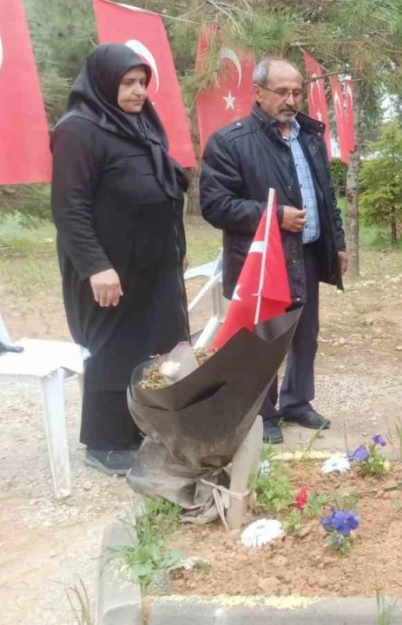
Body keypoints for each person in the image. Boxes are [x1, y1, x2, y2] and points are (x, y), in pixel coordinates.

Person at [50, 44, 190, 475]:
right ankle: (106, 442)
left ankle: (150, 426)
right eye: (128, 83)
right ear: (103, 83)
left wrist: (175, 250)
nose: (138, 92)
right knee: (115, 349)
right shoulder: (77, 130)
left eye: (143, 83)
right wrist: (95, 266)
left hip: (156, 261)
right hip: (110, 268)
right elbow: (68, 206)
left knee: (166, 343)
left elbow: (162, 186)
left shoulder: (141, 125)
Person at [200, 58, 348, 445]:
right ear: (259, 93)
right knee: (262, 337)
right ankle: (262, 412)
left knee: (304, 334)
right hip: (262, 261)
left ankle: (297, 402)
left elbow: (325, 195)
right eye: (281, 92)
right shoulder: (230, 141)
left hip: (310, 252)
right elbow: (215, 205)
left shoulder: (309, 136)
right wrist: (274, 215)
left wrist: (340, 243)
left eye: (297, 91)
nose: (291, 99)